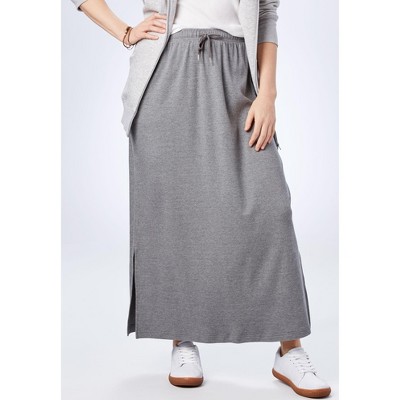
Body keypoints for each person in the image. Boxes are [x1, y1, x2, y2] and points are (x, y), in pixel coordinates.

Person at [70, 0, 332, 397]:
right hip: (166, 74)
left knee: (270, 209)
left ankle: (289, 348)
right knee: (176, 216)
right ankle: (182, 340)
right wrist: (125, 33)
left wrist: (268, 94)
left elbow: (266, 14)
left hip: (238, 73)